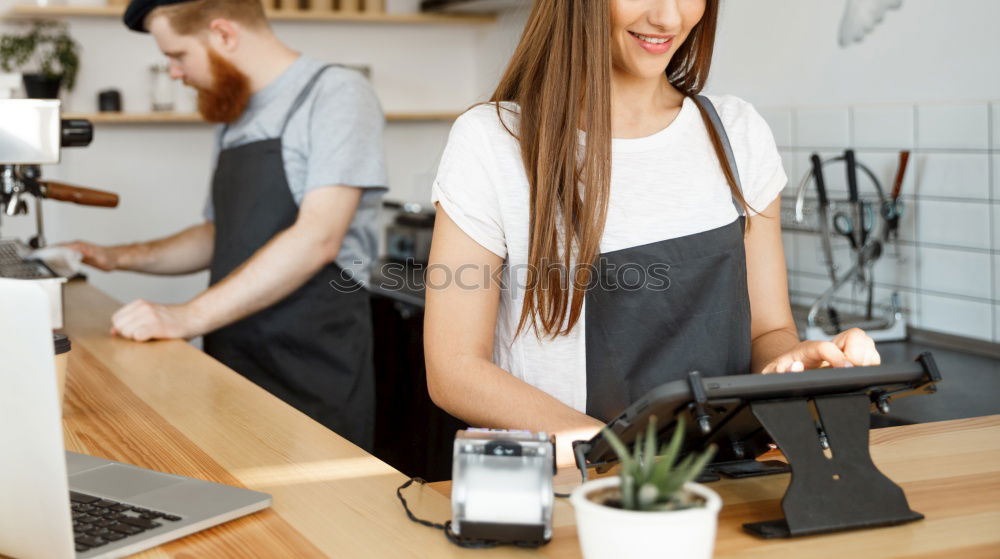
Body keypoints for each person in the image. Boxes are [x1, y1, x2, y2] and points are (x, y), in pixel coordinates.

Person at [423, 0, 880, 465]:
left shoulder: (737, 134)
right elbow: (454, 369)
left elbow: (769, 331)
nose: (668, 17)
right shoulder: (493, 142)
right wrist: (617, 457)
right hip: (578, 495)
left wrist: (793, 366)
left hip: (728, 486)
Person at [65, 0, 386, 450]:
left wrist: (186, 316)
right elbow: (219, 234)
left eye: (177, 55)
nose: (175, 72)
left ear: (223, 34)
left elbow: (318, 237)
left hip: (312, 364)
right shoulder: (236, 114)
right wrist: (116, 257)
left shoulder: (335, 93)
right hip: (234, 357)